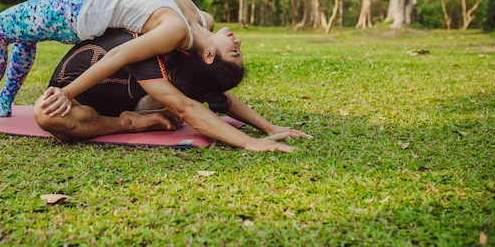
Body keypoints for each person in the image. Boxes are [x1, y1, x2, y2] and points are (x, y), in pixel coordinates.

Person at [0, 0, 241, 124]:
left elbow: (116, 58)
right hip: (83, 7)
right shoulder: (203, 22)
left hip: (76, 11)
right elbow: (208, 69)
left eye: (235, 50)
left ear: (210, 55)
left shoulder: (177, 31)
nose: (237, 40)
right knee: (23, 36)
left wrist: (68, 92)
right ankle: (2, 104)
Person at [35, 28, 313, 152]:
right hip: (74, 96)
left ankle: (133, 117)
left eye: (236, 51)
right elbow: (187, 109)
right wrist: (248, 142)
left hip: (117, 102)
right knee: (46, 115)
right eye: (237, 50)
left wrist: (268, 128)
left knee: (184, 91)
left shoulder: (186, 62)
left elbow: (213, 94)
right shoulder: (164, 39)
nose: (237, 40)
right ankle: (131, 123)